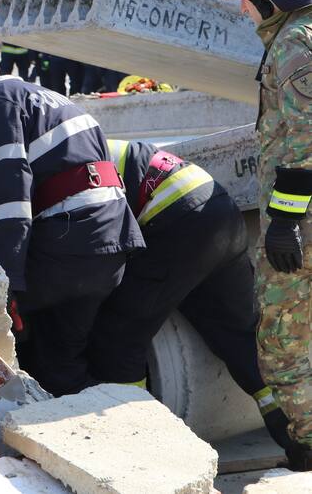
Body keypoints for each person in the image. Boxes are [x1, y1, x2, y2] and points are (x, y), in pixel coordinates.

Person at [0, 53, 145, 396]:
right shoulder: (38, 95)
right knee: (60, 360)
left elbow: (9, 210)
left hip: (70, 243)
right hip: (108, 243)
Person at [85, 139, 292, 450]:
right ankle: (299, 435)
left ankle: (137, 446)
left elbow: (96, 249)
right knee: (239, 335)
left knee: (118, 338)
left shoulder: (63, 169)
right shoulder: (87, 146)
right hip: (218, 209)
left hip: (177, 220)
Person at [220, 0, 312, 469]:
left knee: (283, 341)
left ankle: (305, 443)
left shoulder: (296, 46)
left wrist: (282, 220)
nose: (241, 11)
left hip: (300, 224)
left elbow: (303, 142)